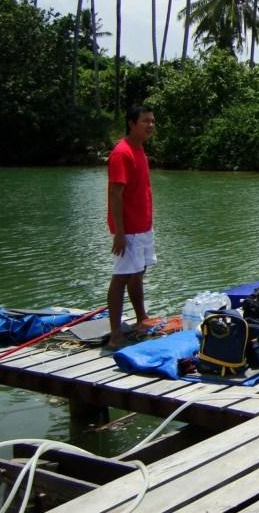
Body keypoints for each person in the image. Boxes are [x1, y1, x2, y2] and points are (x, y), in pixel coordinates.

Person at [106, 104, 158, 349]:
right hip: (128, 229)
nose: (150, 125)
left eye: (152, 121)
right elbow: (116, 194)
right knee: (122, 276)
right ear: (131, 123)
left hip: (143, 225)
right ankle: (116, 333)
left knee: (138, 273)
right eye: (145, 121)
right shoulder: (122, 152)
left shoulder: (140, 150)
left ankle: (141, 318)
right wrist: (119, 232)